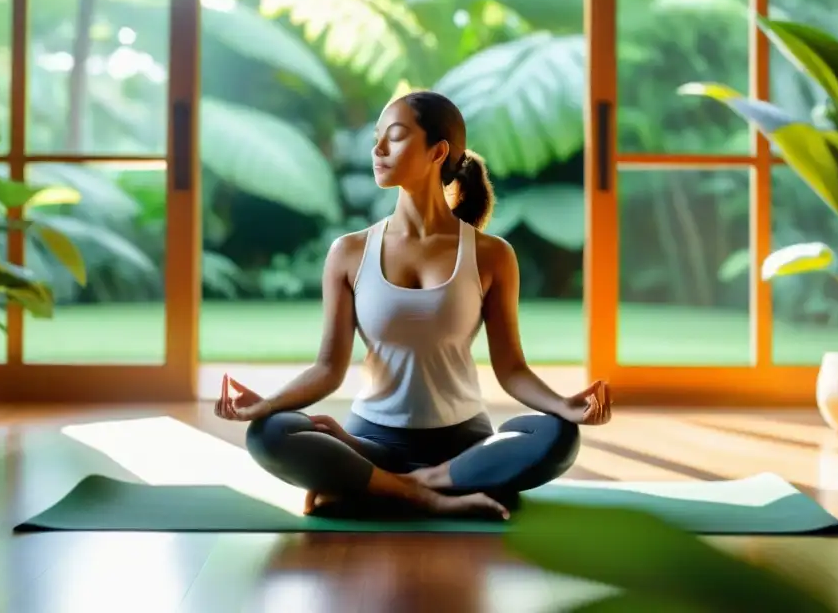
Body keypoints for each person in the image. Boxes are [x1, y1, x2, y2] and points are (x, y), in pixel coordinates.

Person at [214, 90, 613, 521]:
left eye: (396, 136)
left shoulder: (491, 254)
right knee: (270, 434)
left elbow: (512, 369)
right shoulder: (348, 252)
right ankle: (431, 494)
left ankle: (389, 488)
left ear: (438, 151)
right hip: (372, 442)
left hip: (465, 446)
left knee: (556, 433)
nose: (378, 149)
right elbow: (327, 368)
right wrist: (267, 405)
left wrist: (565, 405)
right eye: (377, 137)